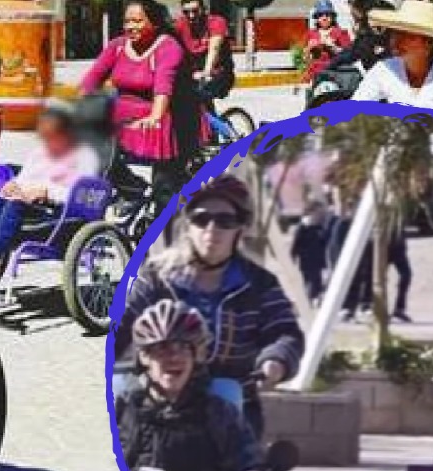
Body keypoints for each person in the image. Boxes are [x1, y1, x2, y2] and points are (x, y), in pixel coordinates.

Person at [117, 175, 304, 437]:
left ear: (240, 228)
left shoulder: (260, 283)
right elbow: (121, 324)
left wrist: (276, 361)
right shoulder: (156, 277)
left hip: (231, 407)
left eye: (225, 221)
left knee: (226, 396)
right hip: (156, 399)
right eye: (201, 218)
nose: (212, 229)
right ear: (187, 225)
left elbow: (286, 333)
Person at [115, 298, 286, 471]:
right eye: (161, 349)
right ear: (144, 357)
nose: (173, 357)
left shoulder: (218, 414)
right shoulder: (120, 411)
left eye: (182, 347)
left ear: (196, 355)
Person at [80, 0, 205, 211]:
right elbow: (92, 79)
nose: (131, 27)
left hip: (170, 119)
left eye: (138, 21)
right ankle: (133, 190)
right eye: (127, 21)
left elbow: (163, 88)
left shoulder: (168, 47)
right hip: (125, 116)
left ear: (154, 24)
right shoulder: (117, 46)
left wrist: (154, 117)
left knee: (163, 191)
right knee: (94, 155)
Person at [0, 102, 100, 278]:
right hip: (29, 203)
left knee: (15, 205)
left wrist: (46, 192)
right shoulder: (41, 153)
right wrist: (14, 184)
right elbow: (24, 178)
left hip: (56, 213)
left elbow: (81, 194)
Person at [351, 0, 433, 118]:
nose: (396, 40)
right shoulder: (384, 69)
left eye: (407, 36)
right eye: (395, 33)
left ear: (429, 43)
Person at [174, 0, 234, 101]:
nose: (191, 15)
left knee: (200, 93)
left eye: (195, 11)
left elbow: (214, 49)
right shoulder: (180, 24)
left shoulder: (216, 22)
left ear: (204, 9)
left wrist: (206, 72)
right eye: (186, 12)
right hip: (193, 73)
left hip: (219, 72)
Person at [290, 199, 331, 303]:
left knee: (318, 282)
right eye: (318, 213)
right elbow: (295, 245)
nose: (321, 215)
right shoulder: (303, 227)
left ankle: (314, 299)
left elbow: (324, 242)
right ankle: (308, 301)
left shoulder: (320, 227)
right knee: (310, 282)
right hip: (307, 261)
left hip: (319, 260)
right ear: (311, 212)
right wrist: (292, 259)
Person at [303, 0, 351, 82]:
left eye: (327, 15)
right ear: (317, 18)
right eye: (321, 15)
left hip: (335, 73)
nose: (324, 18)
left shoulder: (341, 32)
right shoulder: (311, 34)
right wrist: (309, 49)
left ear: (332, 17)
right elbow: (306, 60)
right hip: (315, 75)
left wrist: (333, 47)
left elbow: (349, 55)